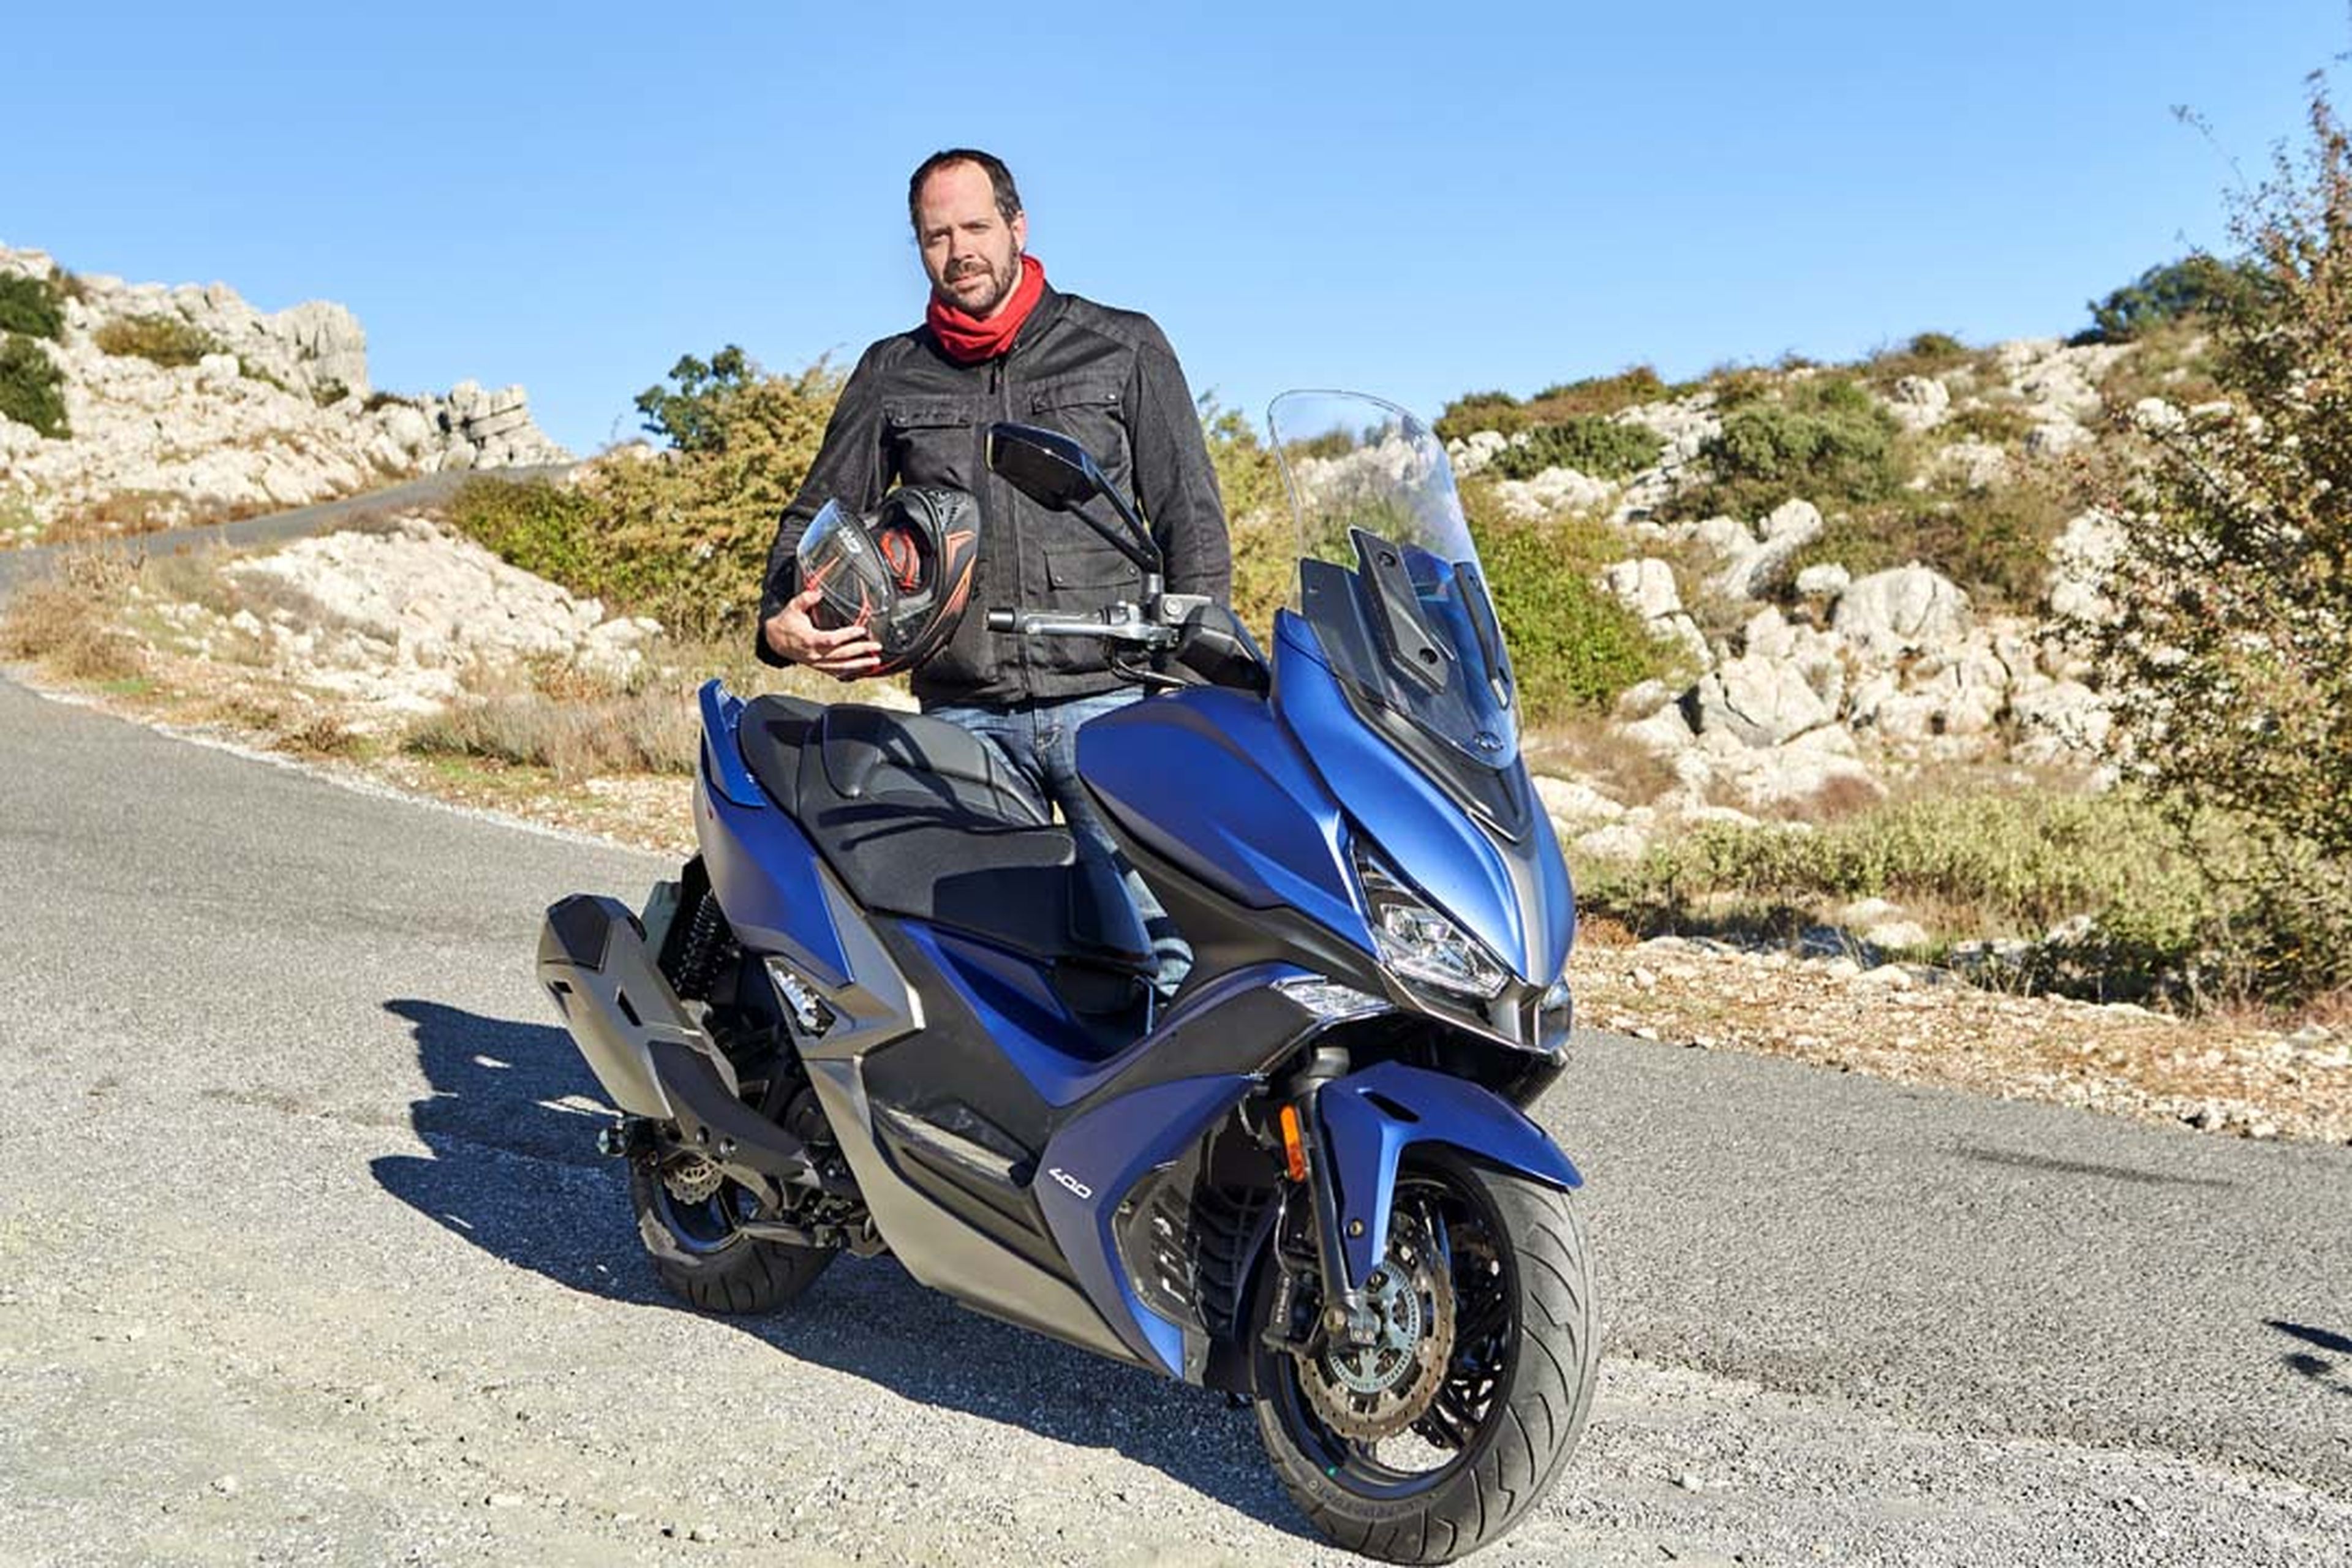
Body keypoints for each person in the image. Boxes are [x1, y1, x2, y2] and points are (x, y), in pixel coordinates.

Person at [756, 147, 1231, 997]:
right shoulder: (891, 372)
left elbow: (1189, 522)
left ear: (1017, 227)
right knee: (996, 969)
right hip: (962, 711)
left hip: (1114, 706)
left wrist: (1192, 693)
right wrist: (778, 620)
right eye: (936, 236)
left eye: (975, 227)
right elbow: (816, 519)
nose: (959, 251)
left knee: (1165, 953)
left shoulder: (1121, 346)